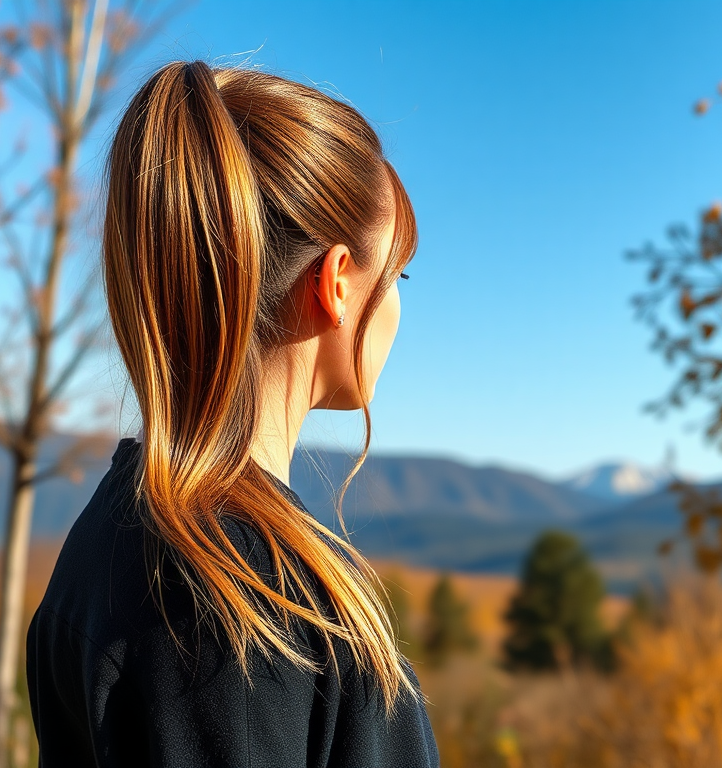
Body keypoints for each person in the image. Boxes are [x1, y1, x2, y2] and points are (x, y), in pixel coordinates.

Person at [25, 59, 439, 767]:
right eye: (396, 275)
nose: (399, 303)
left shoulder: (107, 539)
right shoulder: (261, 614)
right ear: (337, 282)